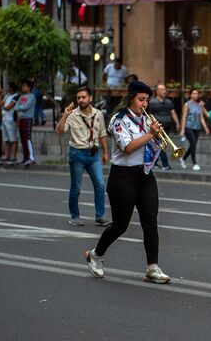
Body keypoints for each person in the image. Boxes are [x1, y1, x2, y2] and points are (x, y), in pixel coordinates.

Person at [84, 80, 170, 284]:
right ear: (131, 98)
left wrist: (157, 139)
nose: (145, 104)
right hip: (123, 176)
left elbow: (154, 146)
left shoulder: (147, 120)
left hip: (145, 175)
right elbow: (128, 148)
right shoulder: (118, 119)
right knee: (120, 225)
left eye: (147, 100)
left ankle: (153, 267)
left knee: (150, 222)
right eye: (141, 99)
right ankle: (96, 254)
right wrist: (150, 134)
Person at [56, 86, 111, 227]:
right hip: (77, 154)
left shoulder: (98, 114)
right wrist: (64, 115)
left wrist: (105, 152)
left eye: (83, 97)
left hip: (93, 154)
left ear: (90, 98)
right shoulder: (72, 115)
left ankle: (100, 216)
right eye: (78, 97)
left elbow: (102, 134)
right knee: (76, 187)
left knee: (100, 185)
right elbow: (60, 131)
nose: (81, 100)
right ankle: (75, 216)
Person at [150, 84, 180, 170]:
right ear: (157, 91)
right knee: (161, 144)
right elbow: (148, 114)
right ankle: (165, 164)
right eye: (162, 90)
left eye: (165, 90)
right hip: (157, 128)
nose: (165, 91)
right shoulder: (152, 102)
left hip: (166, 127)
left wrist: (177, 123)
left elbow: (173, 112)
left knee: (161, 145)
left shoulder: (169, 102)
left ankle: (155, 163)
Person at [180, 88, 209, 170]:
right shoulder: (186, 104)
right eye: (194, 93)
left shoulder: (199, 105)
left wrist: (206, 128)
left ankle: (183, 158)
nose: (196, 95)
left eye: (197, 94)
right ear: (190, 95)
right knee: (193, 143)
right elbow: (184, 117)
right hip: (188, 127)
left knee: (193, 145)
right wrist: (182, 130)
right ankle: (194, 163)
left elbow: (202, 118)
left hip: (197, 127)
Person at [14, 80, 36, 167]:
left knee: (27, 138)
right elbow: (16, 106)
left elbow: (26, 106)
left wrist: (20, 108)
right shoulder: (22, 96)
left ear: (29, 87)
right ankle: (25, 157)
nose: (23, 87)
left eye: (25, 86)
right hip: (21, 119)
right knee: (22, 138)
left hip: (28, 118)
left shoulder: (32, 96)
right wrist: (20, 107)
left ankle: (31, 157)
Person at [0, 82, 19, 164]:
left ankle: (13, 156)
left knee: (13, 139)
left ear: (11, 88)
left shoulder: (16, 96)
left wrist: (2, 107)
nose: (6, 88)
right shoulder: (7, 96)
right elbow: (0, 103)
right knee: (6, 139)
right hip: (4, 119)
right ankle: (6, 155)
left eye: (8, 86)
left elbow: (9, 107)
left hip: (11, 119)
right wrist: (0, 95)